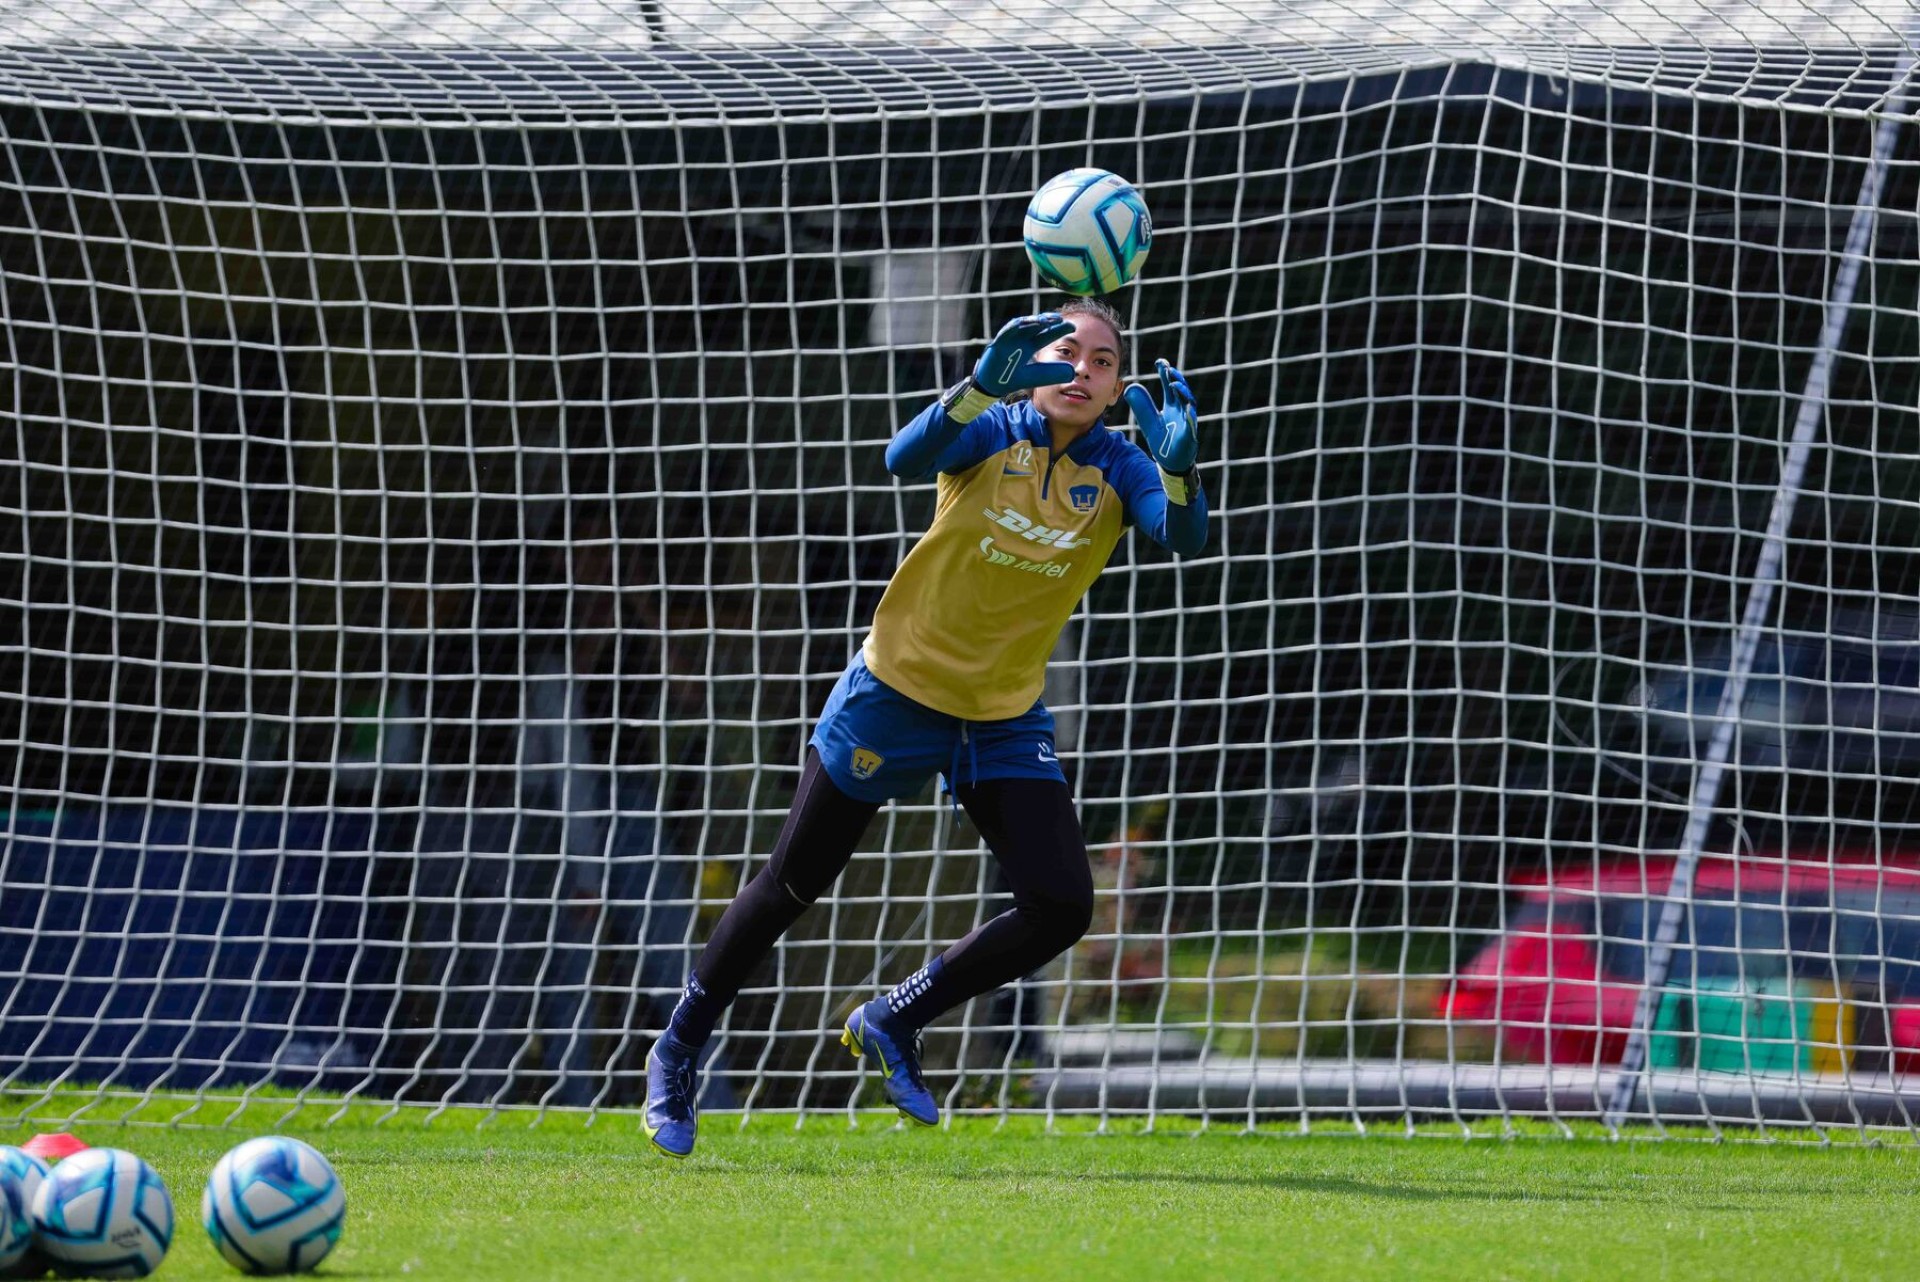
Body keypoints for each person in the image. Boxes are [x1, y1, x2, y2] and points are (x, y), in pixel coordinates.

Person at [641, 296, 1209, 1157]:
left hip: (1001, 715)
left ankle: (895, 1016)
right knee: (792, 884)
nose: (1083, 372)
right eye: (1068, 353)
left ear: (1119, 386)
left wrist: (1180, 469)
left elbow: (1181, 535)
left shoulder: (1121, 468)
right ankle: (679, 1045)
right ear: (1034, 366)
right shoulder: (995, 428)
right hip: (896, 691)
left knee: (1061, 905)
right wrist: (976, 387)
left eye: (1103, 362)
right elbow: (901, 456)